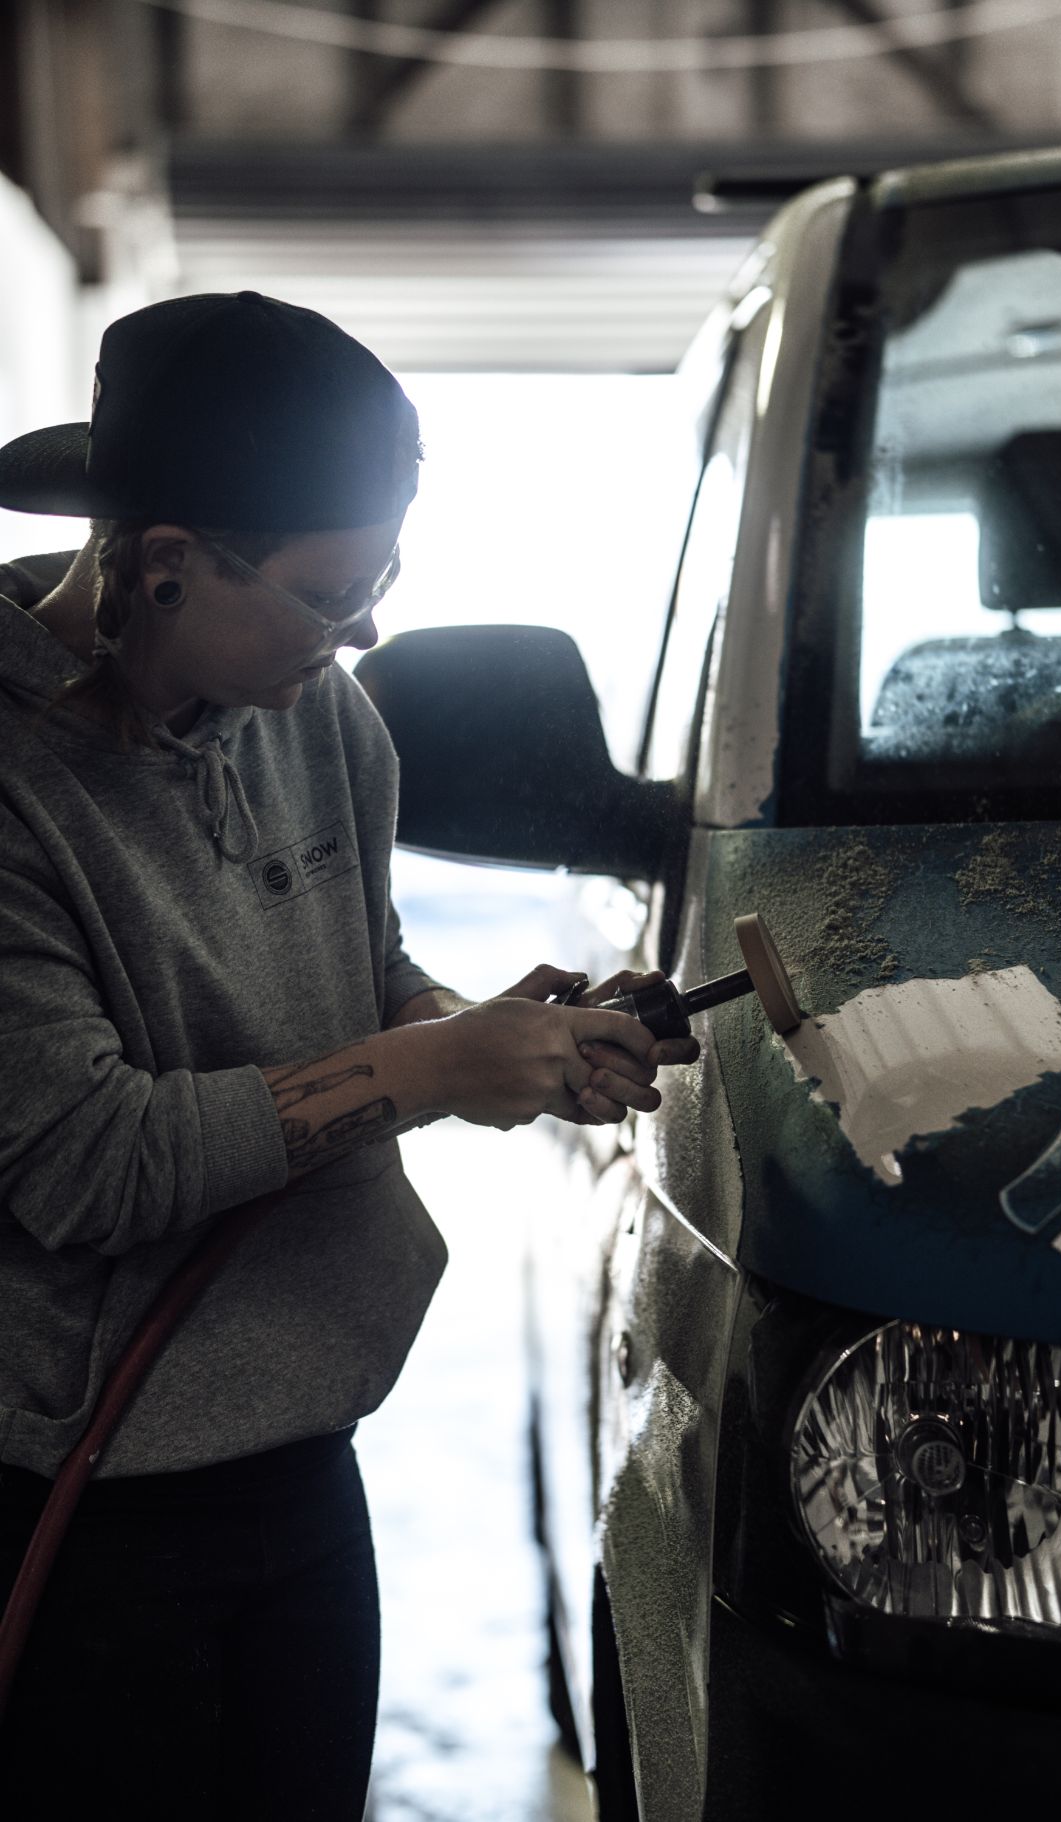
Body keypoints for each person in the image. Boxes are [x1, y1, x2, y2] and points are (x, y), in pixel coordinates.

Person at [0, 291, 697, 1819]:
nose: (365, 632)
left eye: (385, 579)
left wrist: (488, 1033)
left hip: (305, 1448)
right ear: (165, 565)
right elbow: (83, 1158)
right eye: (331, 594)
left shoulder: (318, 717)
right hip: (85, 1504)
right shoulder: (15, 784)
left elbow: (364, 983)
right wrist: (435, 1073)